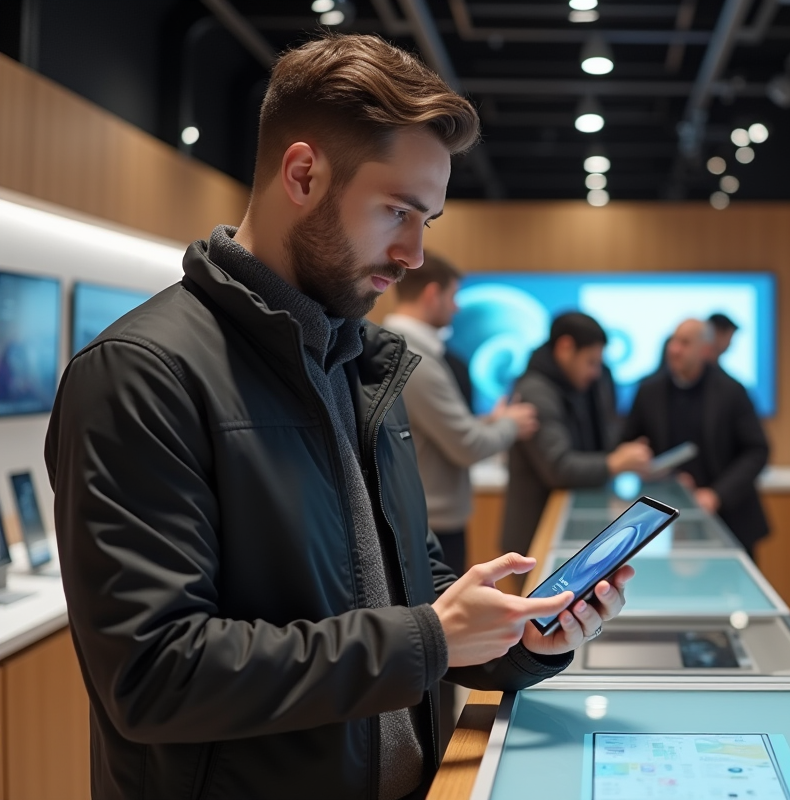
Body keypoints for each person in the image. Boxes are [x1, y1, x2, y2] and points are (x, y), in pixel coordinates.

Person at [45, 34, 632, 800]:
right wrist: (429, 636)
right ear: (302, 174)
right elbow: (156, 674)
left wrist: (517, 638)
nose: (416, 253)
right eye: (397, 210)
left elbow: (406, 599)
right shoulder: (140, 374)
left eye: (429, 220)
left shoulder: (360, 365)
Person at [381, 252, 538, 578]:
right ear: (432, 294)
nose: (457, 307)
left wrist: (488, 423)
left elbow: (428, 429)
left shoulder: (399, 348)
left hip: (424, 517)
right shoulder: (414, 358)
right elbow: (466, 445)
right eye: (453, 297)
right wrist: (511, 424)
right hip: (431, 524)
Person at [502, 312, 653, 554]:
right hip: (539, 538)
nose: (596, 372)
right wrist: (615, 463)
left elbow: (604, 436)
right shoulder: (536, 392)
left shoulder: (589, 384)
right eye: (590, 362)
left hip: (576, 529)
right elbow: (559, 468)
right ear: (565, 348)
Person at [622, 318, 770, 555]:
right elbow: (627, 443)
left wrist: (716, 494)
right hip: (667, 518)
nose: (674, 349)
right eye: (673, 341)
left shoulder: (732, 391)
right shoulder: (648, 390)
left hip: (729, 518)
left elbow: (757, 450)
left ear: (706, 350)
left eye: (684, 342)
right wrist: (642, 462)